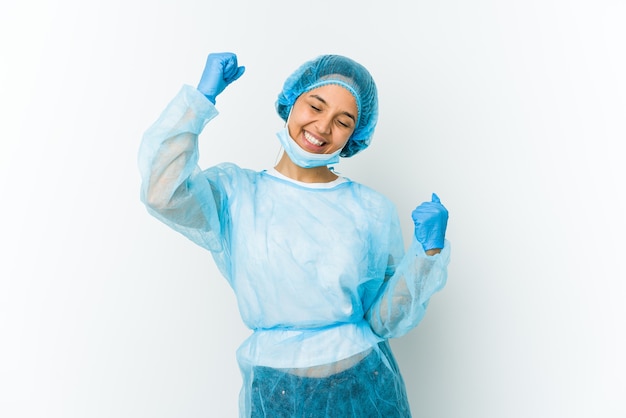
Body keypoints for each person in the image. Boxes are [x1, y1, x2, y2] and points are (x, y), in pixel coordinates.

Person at [138, 52, 450, 417]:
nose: (322, 127)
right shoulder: (237, 194)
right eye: (315, 106)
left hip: (364, 385)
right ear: (291, 103)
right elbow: (163, 192)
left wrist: (427, 256)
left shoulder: (371, 209)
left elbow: (384, 321)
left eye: (343, 121)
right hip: (277, 392)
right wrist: (199, 101)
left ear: (355, 135)